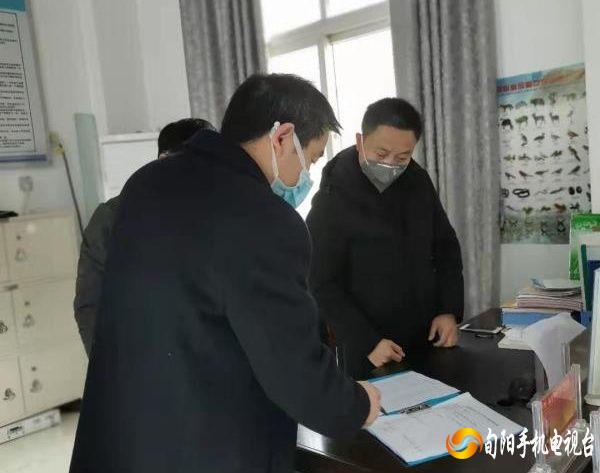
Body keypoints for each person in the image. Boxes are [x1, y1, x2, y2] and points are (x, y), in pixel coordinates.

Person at [69, 74, 380, 473]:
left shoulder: (146, 184)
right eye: (313, 159)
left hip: (124, 434)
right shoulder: (265, 219)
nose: (307, 176)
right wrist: (356, 405)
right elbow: (290, 365)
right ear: (282, 137)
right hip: (207, 443)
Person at [306, 98, 464, 379]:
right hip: (370, 347)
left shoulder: (417, 181)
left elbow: (446, 248)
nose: (391, 164)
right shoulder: (334, 196)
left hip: (426, 335)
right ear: (360, 141)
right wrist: (367, 341)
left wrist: (448, 310)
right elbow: (320, 281)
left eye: (402, 157)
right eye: (381, 153)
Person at [73, 118, 216, 356]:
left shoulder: (220, 212)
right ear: (164, 160)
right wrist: (110, 367)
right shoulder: (113, 219)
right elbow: (91, 306)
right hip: (142, 358)